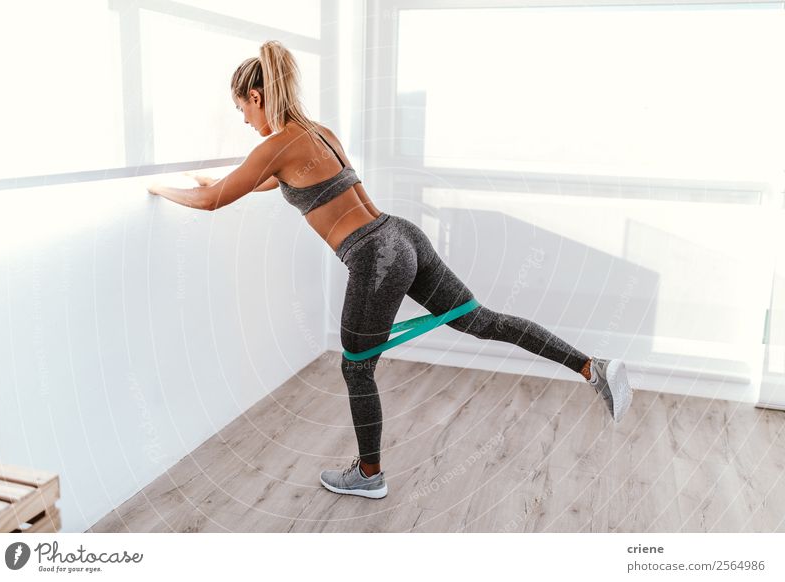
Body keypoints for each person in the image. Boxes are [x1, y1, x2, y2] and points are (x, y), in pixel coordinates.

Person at [148, 40, 633, 500]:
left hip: (374, 256)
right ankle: (593, 367)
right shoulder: (319, 133)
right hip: (402, 237)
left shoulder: (275, 145)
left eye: (243, 111)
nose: (246, 123)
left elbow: (214, 202)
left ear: (256, 97)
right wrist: (216, 180)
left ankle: (369, 475)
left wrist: (160, 188)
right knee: (482, 321)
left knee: (355, 366)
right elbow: (273, 182)